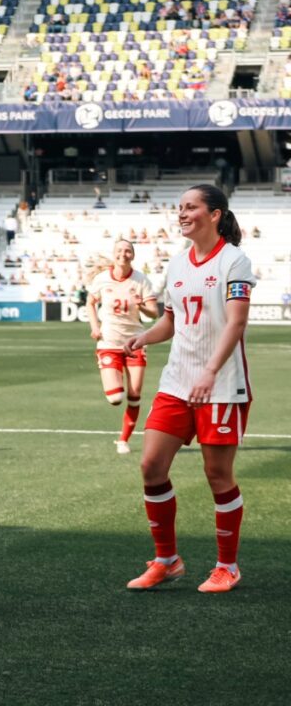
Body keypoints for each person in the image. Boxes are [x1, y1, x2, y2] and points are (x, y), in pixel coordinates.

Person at [124, 185, 253, 594]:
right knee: (151, 467)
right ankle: (167, 560)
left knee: (217, 475)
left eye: (191, 207)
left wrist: (211, 371)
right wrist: (145, 336)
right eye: (179, 207)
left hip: (221, 385)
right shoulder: (177, 264)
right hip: (177, 382)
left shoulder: (235, 260)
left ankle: (226, 567)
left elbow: (235, 323)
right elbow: (171, 321)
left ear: (214, 215)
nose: (182, 213)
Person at [86, 240, 158, 454]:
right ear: (114, 254)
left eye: (128, 251)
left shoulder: (141, 280)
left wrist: (141, 303)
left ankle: (123, 440)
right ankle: (114, 378)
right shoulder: (102, 279)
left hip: (135, 342)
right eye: (119, 251)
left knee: (134, 395)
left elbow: (154, 313)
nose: (123, 254)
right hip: (108, 342)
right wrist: (95, 326)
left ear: (132, 256)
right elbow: (90, 302)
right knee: (116, 398)